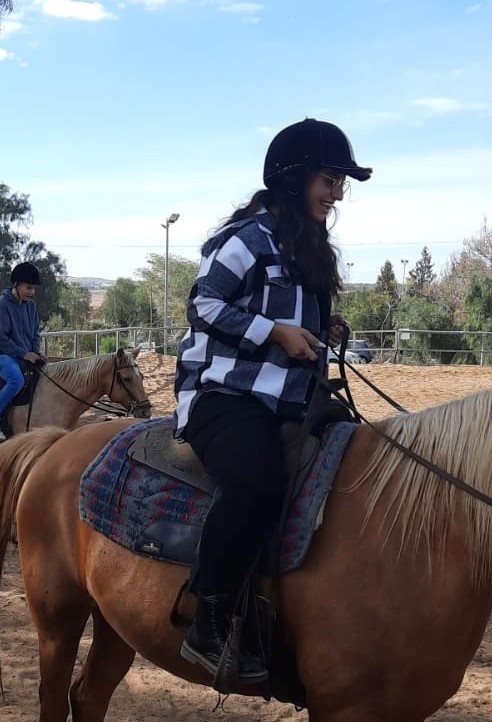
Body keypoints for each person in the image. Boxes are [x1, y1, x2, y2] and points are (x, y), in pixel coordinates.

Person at [173, 118, 372, 684]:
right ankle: (210, 618)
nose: (337, 195)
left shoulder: (307, 246)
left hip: (291, 397)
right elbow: (203, 306)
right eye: (329, 180)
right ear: (294, 178)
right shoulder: (243, 240)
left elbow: (285, 310)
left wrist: (322, 325)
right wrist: (275, 333)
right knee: (257, 481)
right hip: (224, 394)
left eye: (340, 183)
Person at [0, 262, 46, 440]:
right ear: (16, 284)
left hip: (22, 354)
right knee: (16, 380)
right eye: (28, 287)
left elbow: (35, 334)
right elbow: (2, 340)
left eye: (34, 288)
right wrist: (25, 354)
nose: (31, 292)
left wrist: (36, 352)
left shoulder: (31, 306)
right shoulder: (1, 306)